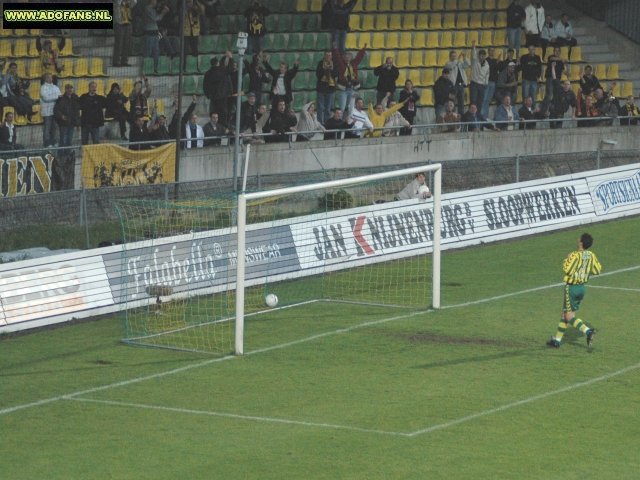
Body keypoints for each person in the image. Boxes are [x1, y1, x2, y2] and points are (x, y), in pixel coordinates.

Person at [546, 233, 601, 348]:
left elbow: (568, 269)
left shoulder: (575, 255)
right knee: (565, 313)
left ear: (581, 243)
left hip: (571, 288)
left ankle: (588, 331)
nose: (577, 240)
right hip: (582, 288)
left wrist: (567, 259)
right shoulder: (591, 255)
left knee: (568, 317)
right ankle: (557, 340)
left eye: (579, 239)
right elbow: (597, 270)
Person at [333, 41, 366, 120]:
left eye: (348, 57)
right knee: (342, 108)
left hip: (351, 89)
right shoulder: (342, 64)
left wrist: (363, 50)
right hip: (343, 89)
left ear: (350, 58)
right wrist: (335, 49)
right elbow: (338, 57)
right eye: (346, 57)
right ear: (344, 59)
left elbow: (359, 57)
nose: (347, 59)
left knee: (351, 108)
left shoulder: (353, 64)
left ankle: (349, 123)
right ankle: (340, 122)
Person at [142, 0, 169, 73]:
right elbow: (155, 18)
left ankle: (155, 68)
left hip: (155, 34)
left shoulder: (152, 10)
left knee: (156, 52)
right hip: (149, 34)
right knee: (148, 52)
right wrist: (163, 12)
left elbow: (158, 18)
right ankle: (146, 69)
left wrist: (163, 12)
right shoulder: (147, 9)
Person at [54, 83, 81, 153]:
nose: (70, 89)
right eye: (68, 88)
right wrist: (61, 116)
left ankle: (68, 156)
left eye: (71, 88)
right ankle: (61, 156)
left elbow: (77, 112)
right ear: (65, 90)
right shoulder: (61, 99)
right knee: (63, 141)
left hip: (71, 123)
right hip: (63, 123)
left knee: (69, 141)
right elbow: (56, 110)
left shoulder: (75, 99)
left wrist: (78, 124)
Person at [316, 50, 339, 125]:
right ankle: (319, 124)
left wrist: (332, 70)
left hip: (331, 89)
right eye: (327, 55)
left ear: (331, 56)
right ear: (324, 56)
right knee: (320, 108)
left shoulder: (334, 63)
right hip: (321, 89)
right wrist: (324, 69)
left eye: (329, 55)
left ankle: (326, 124)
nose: (328, 57)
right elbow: (318, 75)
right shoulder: (320, 63)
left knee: (328, 109)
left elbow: (336, 75)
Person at [541, 47, 566, 114]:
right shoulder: (551, 57)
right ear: (553, 51)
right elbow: (552, 58)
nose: (557, 52)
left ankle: (553, 110)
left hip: (557, 79)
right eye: (555, 50)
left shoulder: (561, 61)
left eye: (558, 51)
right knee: (549, 95)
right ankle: (543, 111)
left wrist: (568, 73)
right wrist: (562, 59)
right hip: (550, 78)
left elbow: (563, 70)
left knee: (556, 95)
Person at [445, 50, 471, 115]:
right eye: (452, 56)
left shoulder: (460, 63)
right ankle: (453, 116)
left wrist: (464, 57)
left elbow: (468, 64)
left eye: (455, 56)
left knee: (461, 103)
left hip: (461, 85)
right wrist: (458, 59)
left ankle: (461, 117)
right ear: (450, 57)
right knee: (452, 102)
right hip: (453, 85)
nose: (454, 57)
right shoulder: (448, 63)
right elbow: (451, 66)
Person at [40, 73, 62, 147]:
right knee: (47, 129)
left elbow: (60, 97)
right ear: (45, 79)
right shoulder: (43, 87)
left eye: (51, 77)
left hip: (54, 111)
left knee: (54, 128)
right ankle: (47, 143)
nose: (50, 79)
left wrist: (53, 97)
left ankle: (53, 142)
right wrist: (56, 97)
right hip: (46, 112)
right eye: (48, 78)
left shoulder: (55, 87)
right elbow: (45, 98)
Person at [113, 0, 135, 67]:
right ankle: (116, 61)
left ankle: (124, 60)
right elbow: (118, 2)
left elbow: (134, 2)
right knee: (118, 43)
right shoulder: (116, 3)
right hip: (119, 24)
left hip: (128, 23)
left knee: (127, 43)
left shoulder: (128, 3)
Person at [481, 47, 500, 119]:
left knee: (488, 100)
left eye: (493, 50)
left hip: (494, 82)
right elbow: (489, 68)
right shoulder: (486, 60)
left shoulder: (496, 60)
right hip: (487, 81)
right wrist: (497, 63)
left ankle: (485, 117)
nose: (492, 52)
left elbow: (499, 69)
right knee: (484, 100)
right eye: (490, 50)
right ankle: (482, 116)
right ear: (488, 52)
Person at [469, 42, 489, 109]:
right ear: (479, 55)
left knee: (480, 102)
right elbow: (473, 55)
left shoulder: (487, 64)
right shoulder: (475, 61)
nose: (482, 57)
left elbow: (487, 74)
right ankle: (472, 116)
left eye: (484, 56)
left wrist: (486, 82)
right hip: (474, 83)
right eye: (481, 55)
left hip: (481, 85)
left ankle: (478, 116)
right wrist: (473, 47)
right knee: (473, 101)